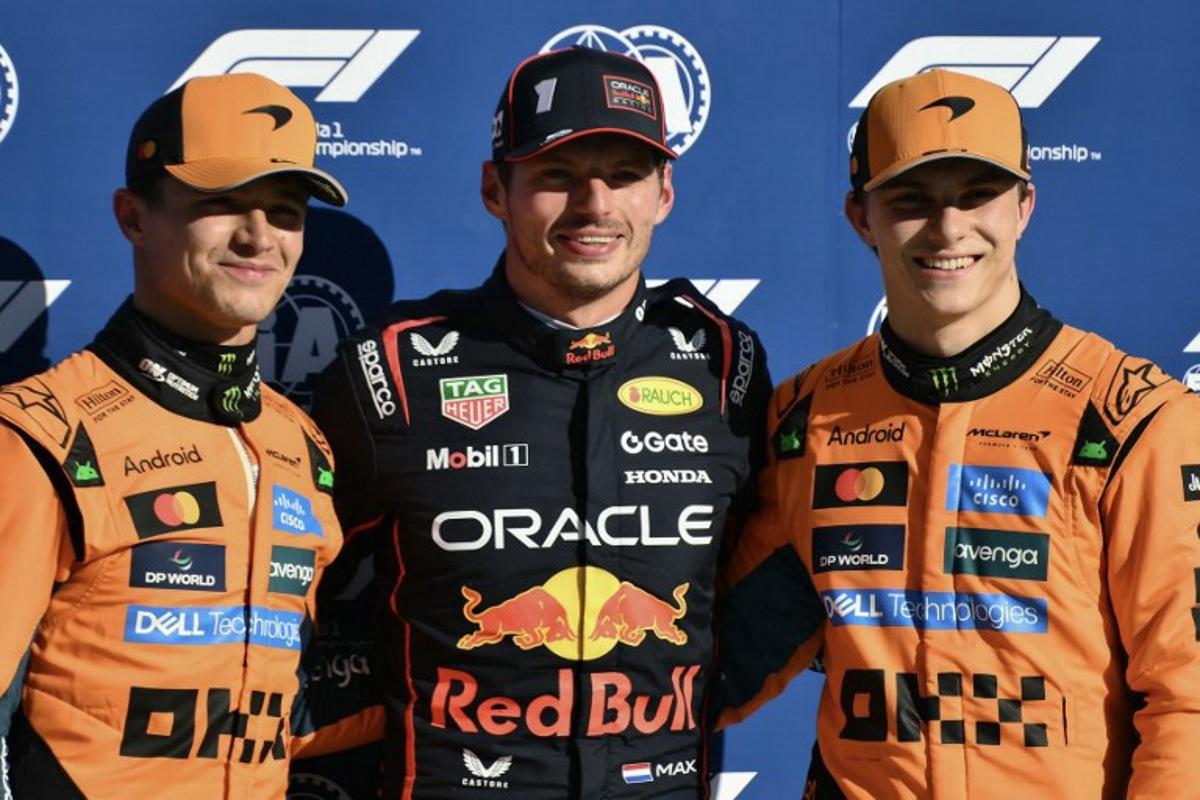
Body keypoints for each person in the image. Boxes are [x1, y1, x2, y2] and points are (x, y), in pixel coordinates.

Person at [716, 68, 1200, 798]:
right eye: (911, 199)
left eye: (977, 195)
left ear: (1025, 206)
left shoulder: (1132, 417)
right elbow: (721, 663)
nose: (948, 229)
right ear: (859, 216)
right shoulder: (808, 417)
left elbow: (1187, 697)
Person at [303, 46, 770, 798]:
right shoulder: (390, 370)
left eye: (624, 175)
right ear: (497, 190)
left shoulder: (723, 362)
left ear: (663, 194)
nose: (595, 205)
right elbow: (286, 593)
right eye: (557, 175)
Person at [0, 73, 350, 798]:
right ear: (133, 216)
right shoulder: (37, 434)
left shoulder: (303, 445)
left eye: (285, 212)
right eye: (222, 203)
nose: (259, 236)